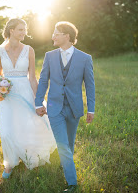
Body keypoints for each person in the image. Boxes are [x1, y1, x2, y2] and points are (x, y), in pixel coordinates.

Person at [35, 21, 95, 192]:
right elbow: (43, 80)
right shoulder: (49, 56)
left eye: (56, 33)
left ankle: (65, 166)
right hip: (55, 108)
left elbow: (90, 86)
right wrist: (38, 102)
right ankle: (72, 183)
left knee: (69, 143)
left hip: (74, 108)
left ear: (67, 36)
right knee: (62, 145)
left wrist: (91, 109)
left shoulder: (85, 58)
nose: (52, 36)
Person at [0, 18, 56, 179]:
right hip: (7, 95)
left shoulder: (29, 50)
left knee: (28, 126)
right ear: (11, 30)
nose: (24, 32)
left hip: (26, 91)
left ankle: (30, 156)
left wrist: (38, 100)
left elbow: (32, 78)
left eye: (25, 29)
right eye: (21, 29)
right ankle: (9, 163)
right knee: (7, 131)